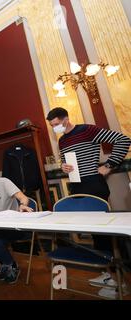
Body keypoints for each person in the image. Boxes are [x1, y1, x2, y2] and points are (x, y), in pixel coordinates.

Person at [47, 107, 131, 298]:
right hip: (76, 186)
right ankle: (106, 273)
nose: (55, 129)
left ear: (66, 119)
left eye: (56, 124)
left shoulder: (88, 130)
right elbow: (64, 162)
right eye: (52, 126)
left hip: (94, 184)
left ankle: (118, 282)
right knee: (94, 232)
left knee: (103, 232)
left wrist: (109, 165)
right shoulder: (62, 140)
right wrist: (64, 167)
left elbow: (124, 140)